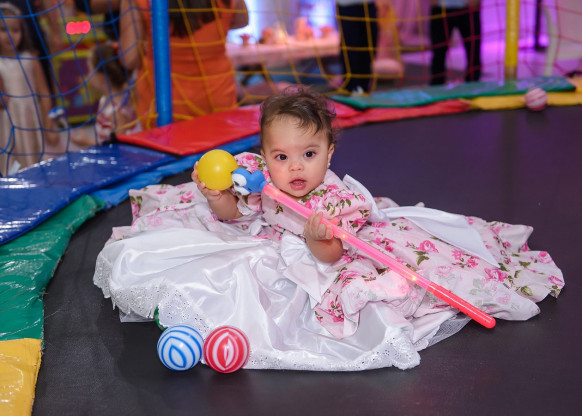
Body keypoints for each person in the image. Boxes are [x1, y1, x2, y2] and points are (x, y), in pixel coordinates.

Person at [94, 87, 563, 370]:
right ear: (264, 155)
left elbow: (333, 258)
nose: (295, 167)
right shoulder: (257, 177)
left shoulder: (336, 200)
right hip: (267, 237)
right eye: (282, 156)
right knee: (204, 264)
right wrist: (217, 195)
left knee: (332, 290)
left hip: (315, 248)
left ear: (330, 153)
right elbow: (233, 216)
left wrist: (321, 239)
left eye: (309, 154)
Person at [119, 0, 248, 129]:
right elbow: (242, 20)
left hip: (164, 105)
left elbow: (130, 58)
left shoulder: (138, 2)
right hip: (218, 99)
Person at [0, 2, 58, 176]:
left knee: (35, 160)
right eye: (3, 30)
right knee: (12, 163)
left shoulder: (30, 58)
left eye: (15, 30)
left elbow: (44, 92)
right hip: (8, 120)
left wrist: (48, 122)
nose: (10, 35)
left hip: (31, 116)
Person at [71, 41, 140, 147]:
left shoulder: (115, 113)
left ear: (101, 77)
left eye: (90, 70)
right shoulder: (108, 99)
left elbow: (117, 146)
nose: (88, 75)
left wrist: (87, 143)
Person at [429, 0, 482, 85]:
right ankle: (436, 86)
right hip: (440, 8)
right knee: (438, 54)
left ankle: (473, 86)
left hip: (468, 7)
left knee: (473, 52)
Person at [336, 0, 379, 94]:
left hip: (368, 5)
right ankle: (350, 88)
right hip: (347, 6)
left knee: (369, 47)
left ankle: (364, 87)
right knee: (351, 46)